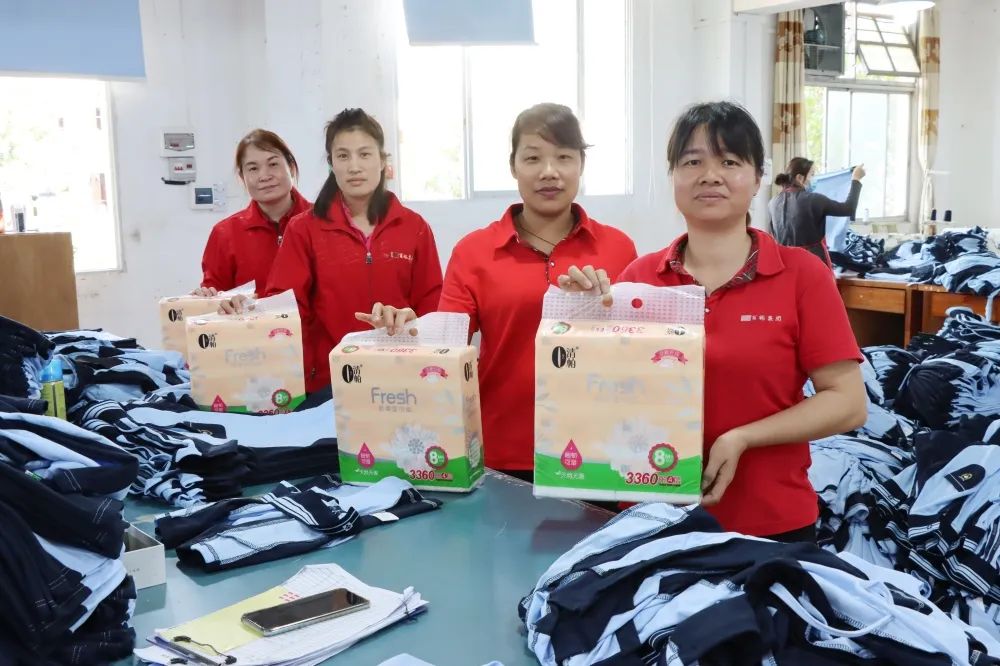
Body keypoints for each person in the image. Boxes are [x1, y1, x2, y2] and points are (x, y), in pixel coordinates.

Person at [611, 102, 866, 542]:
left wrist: (742, 437)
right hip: (651, 519)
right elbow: (604, 390)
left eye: (729, 162)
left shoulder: (802, 275)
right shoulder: (639, 278)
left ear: (757, 178)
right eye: (692, 162)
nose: (710, 175)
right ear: (673, 176)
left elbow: (848, 402)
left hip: (771, 525)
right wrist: (579, 315)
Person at [359, 103, 637, 476]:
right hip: (502, 452)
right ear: (513, 166)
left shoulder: (618, 248)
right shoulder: (474, 251)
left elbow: (638, 357)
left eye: (564, 157)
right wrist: (405, 330)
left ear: (581, 165)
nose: (549, 171)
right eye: (533, 158)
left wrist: (601, 309)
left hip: (601, 452)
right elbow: (446, 346)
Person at [223, 109, 442, 392]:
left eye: (365, 154)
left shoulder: (414, 227)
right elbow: (285, 308)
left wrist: (412, 322)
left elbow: (432, 306)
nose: (354, 166)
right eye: (343, 156)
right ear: (331, 164)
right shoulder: (304, 229)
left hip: (403, 379)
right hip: (329, 383)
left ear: (382, 161)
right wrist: (248, 310)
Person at [195, 129, 312, 296]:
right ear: (242, 177)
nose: (264, 176)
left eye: (273, 164)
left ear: (291, 168)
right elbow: (214, 295)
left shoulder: (323, 222)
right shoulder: (225, 233)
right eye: (253, 168)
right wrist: (205, 298)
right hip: (250, 314)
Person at [767, 157, 866, 267]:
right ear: (800, 178)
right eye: (812, 174)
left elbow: (773, 236)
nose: (815, 179)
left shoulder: (772, 203)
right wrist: (856, 179)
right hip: (812, 263)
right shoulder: (813, 199)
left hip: (785, 264)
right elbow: (848, 208)